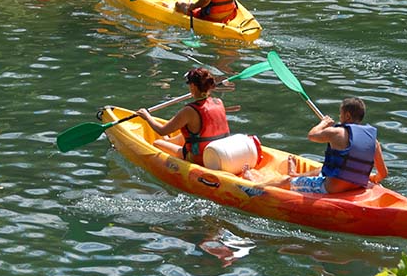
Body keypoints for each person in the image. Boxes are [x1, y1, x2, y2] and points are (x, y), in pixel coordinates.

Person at [243, 97, 388, 194]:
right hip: (356, 186)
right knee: (320, 168)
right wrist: (373, 178)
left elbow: (312, 135)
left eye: (341, 114)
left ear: (348, 116)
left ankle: (256, 183)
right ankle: (296, 175)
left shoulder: (336, 133)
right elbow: (383, 173)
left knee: (287, 181)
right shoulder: (373, 142)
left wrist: (323, 123)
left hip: (330, 188)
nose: (340, 117)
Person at [134, 68, 230, 166]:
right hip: (220, 152)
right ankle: (168, 141)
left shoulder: (189, 110)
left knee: (157, 143)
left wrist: (147, 116)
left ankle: (169, 148)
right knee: (184, 135)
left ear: (193, 86)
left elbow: (162, 131)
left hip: (200, 158)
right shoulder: (218, 102)